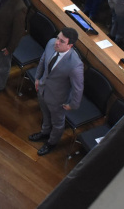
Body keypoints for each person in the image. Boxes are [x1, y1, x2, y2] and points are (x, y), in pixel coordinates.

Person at [29, 28, 84, 156]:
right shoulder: (51, 43)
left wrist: (72, 105)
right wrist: (37, 78)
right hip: (42, 89)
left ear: (70, 45)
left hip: (58, 99)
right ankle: (45, 132)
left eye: (62, 41)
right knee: (45, 115)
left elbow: (78, 88)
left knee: (57, 123)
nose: (57, 42)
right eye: (58, 38)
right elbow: (43, 60)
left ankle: (51, 143)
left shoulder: (75, 65)